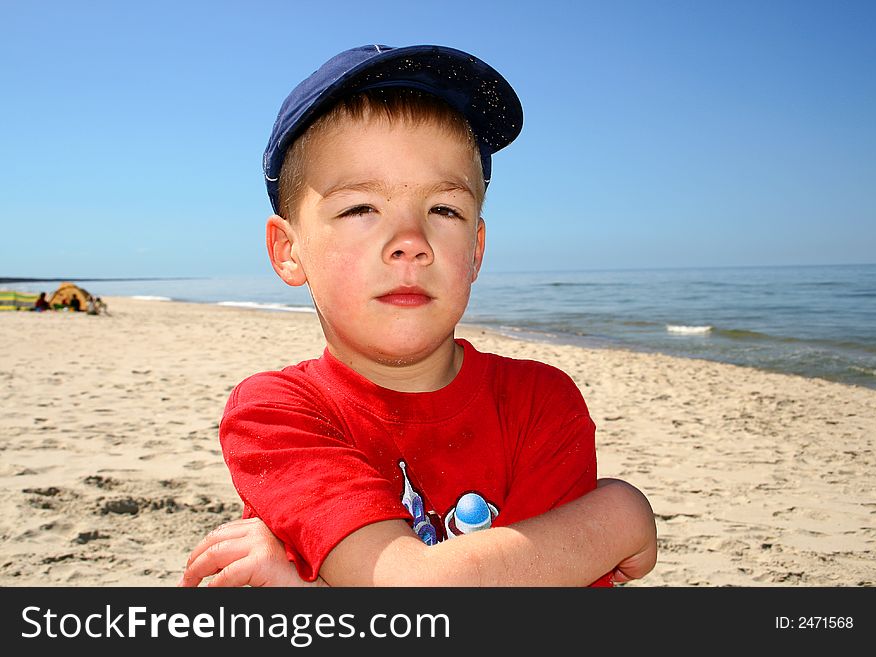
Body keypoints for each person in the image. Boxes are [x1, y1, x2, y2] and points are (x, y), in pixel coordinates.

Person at [179, 44, 657, 588]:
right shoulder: (275, 415)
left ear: (476, 249)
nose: (410, 242)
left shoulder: (541, 404)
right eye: (360, 208)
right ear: (289, 250)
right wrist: (614, 518)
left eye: (444, 210)